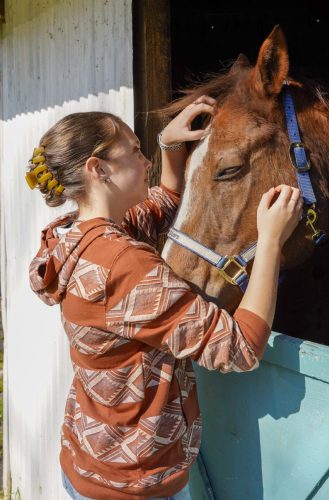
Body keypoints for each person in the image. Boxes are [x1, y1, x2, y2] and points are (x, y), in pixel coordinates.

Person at [27, 95, 303, 500]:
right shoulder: (126, 266)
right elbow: (240, 347)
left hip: (89, 461)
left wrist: (169, 143)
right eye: (136, 152)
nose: (147, 162)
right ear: (98, 169)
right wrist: (271, 241)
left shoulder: (71, 236)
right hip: (133, 485)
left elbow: (164, 204)